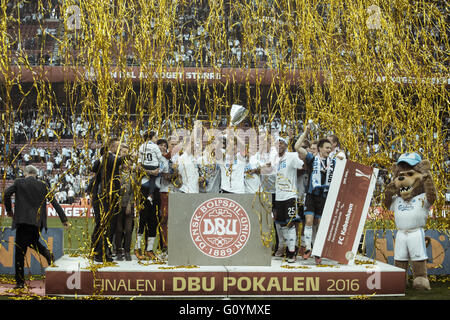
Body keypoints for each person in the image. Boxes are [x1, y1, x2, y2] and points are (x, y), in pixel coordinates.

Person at [3, 165, 70, 289]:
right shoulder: (43, 185)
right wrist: (64, 219)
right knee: (33, 242)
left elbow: (6, 194)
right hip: (37, 223)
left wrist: (9, 211)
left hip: (22, 221)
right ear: (35, 174)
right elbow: (54, 202)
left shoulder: (19, 182)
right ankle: (46, 253)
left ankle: (20, 282)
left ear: (25, 173)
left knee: (19, 253)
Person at [296, 131, 337, 264]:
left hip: (324, 197)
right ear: (320, 148)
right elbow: (297, 147)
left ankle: (318, 250)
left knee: (319, 225)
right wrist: (306, 131)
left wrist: (342, 158)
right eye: (327, 148)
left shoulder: (333, 162)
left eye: (330, 148)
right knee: (308, 221)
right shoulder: (312, 159)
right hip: (311, 195)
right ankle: (307, 248)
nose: (329, 150)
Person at [90, 139, 125, 263]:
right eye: (117, 146)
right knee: (107, 224)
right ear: (112, 146)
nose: (119, 149)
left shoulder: (105, 159)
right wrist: (127, 155)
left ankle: (96, 251)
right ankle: (101, 253)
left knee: (103, 224)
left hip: (106, 195)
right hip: (107, 196)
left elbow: (94, 169)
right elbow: (116, 160)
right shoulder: (108, 157)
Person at [271, 137, 304, 263]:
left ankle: (292, 252)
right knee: (281, 224)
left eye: (281, 143)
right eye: (277, 144)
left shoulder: (291, 156)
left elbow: (302, 166)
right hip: (279, 195)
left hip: (290, 195)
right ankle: (289, 248)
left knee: (290, 224)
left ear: (286, 145)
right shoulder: (275, 160)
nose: (279, 145)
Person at [114, 144, 135, 261]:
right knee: (118, 229)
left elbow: (133, 191)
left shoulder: (133, 174)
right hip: (117, 203)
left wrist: (129, 204)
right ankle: (118, 251)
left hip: (128, 205)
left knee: (128, 229)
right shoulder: (116, 173)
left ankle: (127, 251)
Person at [138, 131, 165, 204]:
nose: (157, 139)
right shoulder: (155, 146)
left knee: (142, 177)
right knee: (152, 178)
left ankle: (138, 189)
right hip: (153, 166)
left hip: (145, 165)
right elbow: (160, 157)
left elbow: (139, 158)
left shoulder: (142, 146)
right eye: (155, 137)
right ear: (150, 138)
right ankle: (150, 194)